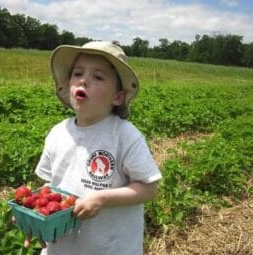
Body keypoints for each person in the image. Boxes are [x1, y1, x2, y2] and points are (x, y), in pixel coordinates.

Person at [30, 41, 162, 255]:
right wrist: (34, 215)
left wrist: (102, 198)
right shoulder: (57, 133)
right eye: (77, 73)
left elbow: (149, 189)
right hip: (62, 248)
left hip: (109, 248)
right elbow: (50, 186)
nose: (84, 80)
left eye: (98, 77)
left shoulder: (124, 136)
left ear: (118, 96)